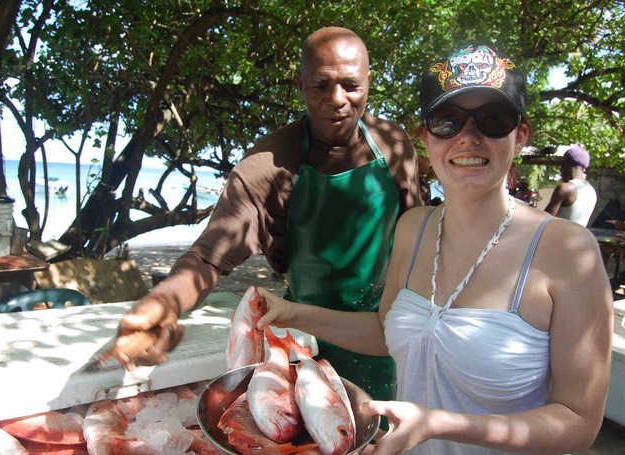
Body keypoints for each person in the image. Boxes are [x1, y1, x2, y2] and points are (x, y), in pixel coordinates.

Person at [257, 43, 613, 454]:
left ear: (521, 135)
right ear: (425, 137)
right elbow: (387, 332)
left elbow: (578, 421)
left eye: (493, 120)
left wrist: (439, 424)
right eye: (447, 121)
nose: (469, 138)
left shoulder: (568, 251)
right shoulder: (414, 228)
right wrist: (292, 312)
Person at [107, 27, 421, 402]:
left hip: (384, 333)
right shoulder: (268, 165)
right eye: (321, 85)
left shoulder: (395, 146)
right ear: (300, 83)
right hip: (305, 335)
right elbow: (209, 255)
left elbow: (417, 237)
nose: (338, 99)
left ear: (369, 81)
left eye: (351, 86)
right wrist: (165, 303)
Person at [544, 145, 598, 226]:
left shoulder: (565, 188)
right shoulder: (591, 191)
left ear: (565, 164)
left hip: (558, 238)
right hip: (579, 238)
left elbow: (543, 221)